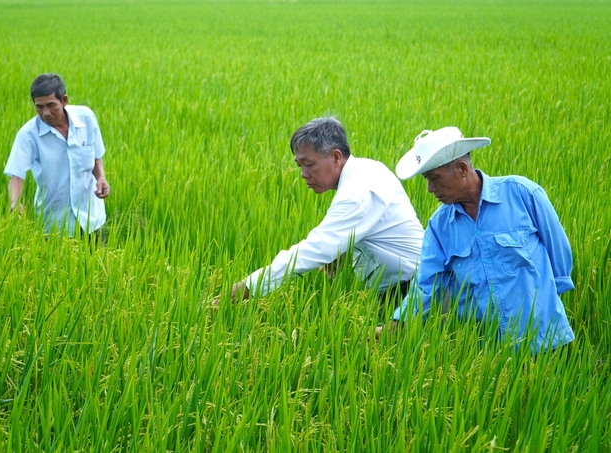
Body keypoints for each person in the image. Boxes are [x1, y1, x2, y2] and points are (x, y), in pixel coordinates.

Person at [389, 126, 574, 352]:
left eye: (434, 178)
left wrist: (549, 308)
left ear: (462, 168)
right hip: (490, 354)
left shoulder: (522, 194)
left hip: (546, 340)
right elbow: (427, 285)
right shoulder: (439, 227)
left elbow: (559, 255)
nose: (429, 188)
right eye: (427, 179)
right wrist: (397, 323)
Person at [219, 117, 424, 304]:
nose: (303, 174)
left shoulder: (358, 192)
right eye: (299, 165)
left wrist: (247, 287)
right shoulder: (366, 169)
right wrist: (343, 249)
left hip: (413, 289)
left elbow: (313, 250)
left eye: (309, 165)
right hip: (399, 285)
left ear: (336, 157)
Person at [4, 73, 110, 238]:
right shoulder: (29, 134)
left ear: (64, 100)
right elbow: (16, 176)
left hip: (91, 218)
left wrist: (101, 177)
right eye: (39, 106)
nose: (45, 113)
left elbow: (96, 156)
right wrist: (15, 203)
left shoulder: (86, 118)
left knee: (98, 262)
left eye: (51, 105)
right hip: (55, 224)